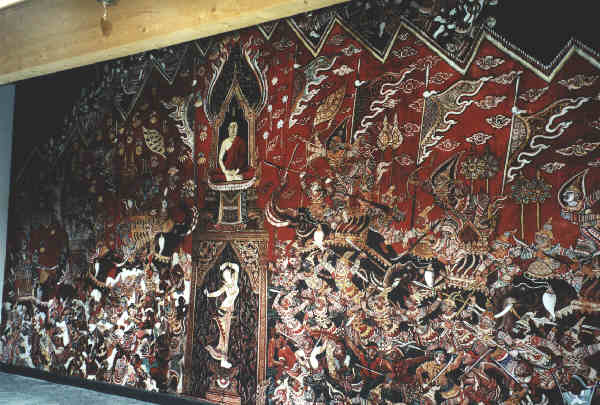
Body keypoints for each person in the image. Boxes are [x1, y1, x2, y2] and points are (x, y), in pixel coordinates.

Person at [205, 262, 240, 368]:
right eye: (225, 276)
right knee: (224, 335)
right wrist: (208, 294)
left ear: (231, 274)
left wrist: (226, 265)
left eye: (228, 274)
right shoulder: (226, 286)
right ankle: (223, 359)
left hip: (229, 311)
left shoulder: (234, 282)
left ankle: (223, 358)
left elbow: (237, 267)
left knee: (225, 335)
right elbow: (217, 293)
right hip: (224, 309)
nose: (227, 277)